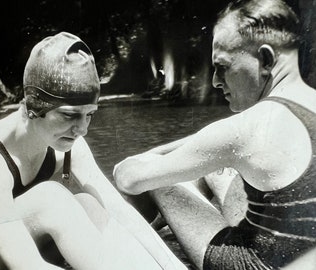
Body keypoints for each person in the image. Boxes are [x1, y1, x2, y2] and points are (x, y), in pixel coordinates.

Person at [113, 0, 316, 269]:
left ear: (266, 60)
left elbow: (129, 180)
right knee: (217, 171)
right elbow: (215, 145)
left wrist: (138, 162)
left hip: (256, 264)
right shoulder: (305, 103)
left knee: (156, 179)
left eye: (222, 67)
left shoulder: (246, 128)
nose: (215, 82)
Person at [0, 32, 187, 270]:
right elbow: (25, 264)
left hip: (29, 250)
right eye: (69, 115)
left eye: (90, 115)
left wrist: (173, 266)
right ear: (31, 108)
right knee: (51, 198)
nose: (82, 129)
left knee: (89, 202)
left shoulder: (70, 143)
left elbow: (119, 211)